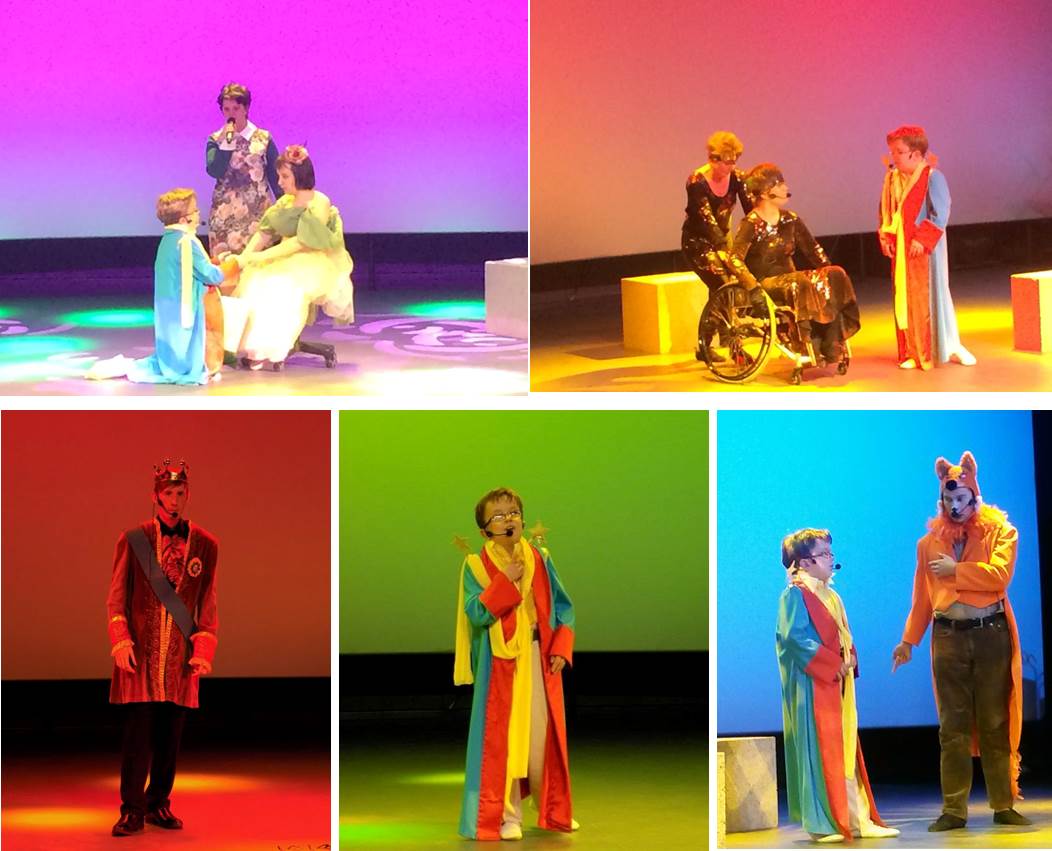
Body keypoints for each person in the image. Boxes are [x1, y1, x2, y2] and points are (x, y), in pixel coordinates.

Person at [892, 452, 1029, 831]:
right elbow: (922, 597)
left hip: (990, 635)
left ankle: (1003, 804)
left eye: (961, 498)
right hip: (948, 637)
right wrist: (908, 641)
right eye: (949, 499)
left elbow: (999, 576)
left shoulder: (1001, 532)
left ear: (974, 497)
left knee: (995, 720)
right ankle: (954, 810)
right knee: (951, 726)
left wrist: (957, 570)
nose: (955, 506)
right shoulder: (928, 543)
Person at [454, 488, 577, 841]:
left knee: (540, 738)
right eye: (498, 516)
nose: (508, 520)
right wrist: (505, 580)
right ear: (484, 530)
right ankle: (507, 815)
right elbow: (477, 613)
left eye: (513, 513)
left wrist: (561, 647)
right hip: (501, 662)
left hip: (537, 656)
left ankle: (551, 807)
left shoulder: (539, 557)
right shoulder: (476, 566)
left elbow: (563, 606)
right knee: (504, 740)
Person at [107, 460, 219, 837]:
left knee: (171, 737)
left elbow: (208, 602)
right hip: (141, 655)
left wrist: (203, 649)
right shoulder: (134, 539)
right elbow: (116, 598)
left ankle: (158, 803)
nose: (174, 500)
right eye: (168, 493)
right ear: (155, 496)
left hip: (180, 658)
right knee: (138, 738)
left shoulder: (206, 544)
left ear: (188, 495)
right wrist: (120, 640)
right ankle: (132, 809)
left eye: (180, 493)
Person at [776, 529, 899, 843]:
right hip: (813, 686)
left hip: (836, 683)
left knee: (844, 750)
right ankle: (823, 824)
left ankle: (857, 819)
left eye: (830, 553)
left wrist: (850, 657)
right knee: (818, 751)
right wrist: (832, 664)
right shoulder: (795, 594)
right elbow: (793, 639)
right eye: (824, 554)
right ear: (805, 561)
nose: (831, 559)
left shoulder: (831, 595)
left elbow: (843, 633)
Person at [227, 145, 354, 368]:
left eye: (285, 176)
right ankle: (257, 348)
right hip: (284, 255)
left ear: (300, 175)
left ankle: (275, 348)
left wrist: (260, 257)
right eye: (279, 176)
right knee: (255, 283)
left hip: (312, 259)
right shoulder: (285, 202)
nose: (280, 182)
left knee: (283, 286)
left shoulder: (319, 201)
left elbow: (301, 242)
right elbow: (264, 233)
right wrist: (245, 258)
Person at [86, 189, 231, 384]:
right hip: (182, 305)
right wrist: (232, 265)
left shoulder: (168, 240)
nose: (199, 215)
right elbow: (211, 275)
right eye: (195, 211)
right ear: (184, 219)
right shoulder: (186, 241)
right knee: (182, 346)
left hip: (167, 305)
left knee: (171, 344)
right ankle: (183, 368)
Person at [732, 164, 860, 365]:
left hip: (791, 278)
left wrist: (827, 274)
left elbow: (813, 250)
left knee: (835, 274)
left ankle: (831, 341)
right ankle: (808, 342)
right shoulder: (751, 223)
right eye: (779, 184)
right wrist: (752, 287)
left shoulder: (789, 219)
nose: (785, 187)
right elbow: (734, 259)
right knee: (800, 282)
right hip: (766, 281)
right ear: (765, 193)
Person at [878, 125, 975, 370]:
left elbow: (940, 212)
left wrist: (922, 239)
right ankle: (912, 350)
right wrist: (886, 237)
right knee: (904, 298)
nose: (894, 157)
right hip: (902, 247)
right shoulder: (892, 179)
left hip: (925, 250)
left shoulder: (932, 177)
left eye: (899, 151)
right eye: (892, 151)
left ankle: (949, 345)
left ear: (916, 153)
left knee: (932, 296)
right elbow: (888, 211)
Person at [681, 131, 754, 362]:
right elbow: (706, 219)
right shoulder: (697, 181)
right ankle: (732, 345)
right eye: (727, 162)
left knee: (722, 290)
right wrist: (722, 247)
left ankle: (708, 345)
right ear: (713, 160)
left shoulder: (737, 177)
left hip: (724, 238)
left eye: (735, 161)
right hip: (698, 243)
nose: (731, 166)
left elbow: (750, 209)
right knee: (723, 285)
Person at [206, 82, 281, 256]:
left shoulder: (263, 138)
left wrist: (286, 204)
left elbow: (276, 175)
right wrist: (227, 143)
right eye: (226, 109)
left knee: (258, 262)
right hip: (225, 214)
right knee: (227, 265)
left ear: (246, 108)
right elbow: (214, 171)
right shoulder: (215, 139)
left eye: (236, 108)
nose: (231, 114)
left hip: (257, 212)